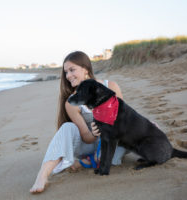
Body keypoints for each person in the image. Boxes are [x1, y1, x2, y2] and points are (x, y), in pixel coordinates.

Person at [30, 51, 126, 194]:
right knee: (67, 127)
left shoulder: (111, 86)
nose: (68, 76)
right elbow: (86, 137)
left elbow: (125, 118)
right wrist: (94, 133)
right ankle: (42, 176)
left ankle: (90, 161)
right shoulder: (71, 102)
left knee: (146, 128)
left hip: (114, 141)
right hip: (89, 145)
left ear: (85, 69)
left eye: (72, 70)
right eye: (66, 72)